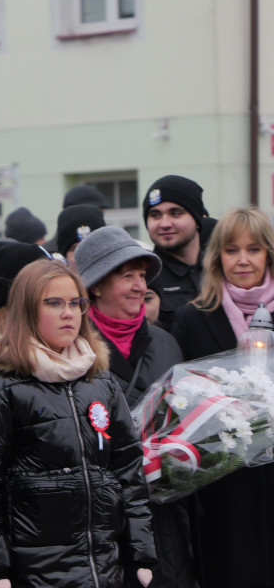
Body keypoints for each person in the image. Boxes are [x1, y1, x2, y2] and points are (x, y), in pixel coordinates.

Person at [0, 259, 156, 588]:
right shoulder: (0, 387)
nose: (69, 313)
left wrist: (141, 551)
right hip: (34, 571)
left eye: (76, 303)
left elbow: (129, 471)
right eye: (53, 303)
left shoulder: (100, 382)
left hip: (104, 568)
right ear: (26, 310)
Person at [74, 226, 194, 588]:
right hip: (98, 516)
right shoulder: (73, 346)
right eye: (127, 276)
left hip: (163, 514)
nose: (140, 286)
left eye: (142, 276)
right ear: (95, 285)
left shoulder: (166, 342)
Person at [170, 207, 274, 587]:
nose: (243, 259)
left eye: (254, 249)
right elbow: (178, 400)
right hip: (222, 485)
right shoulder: (192, 318)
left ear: (269, 255)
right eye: (231, 250)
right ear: (217, 257)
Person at [142, 175, 209, 330]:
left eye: (175, 213)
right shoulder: (144, 276)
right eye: (155, 215)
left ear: (197, 219)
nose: (164, 224)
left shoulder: (220, 269)